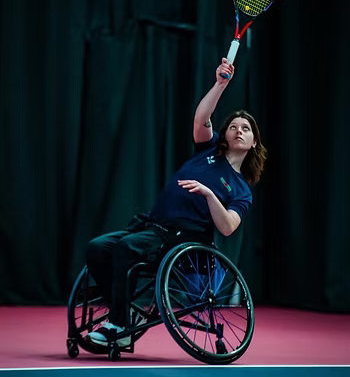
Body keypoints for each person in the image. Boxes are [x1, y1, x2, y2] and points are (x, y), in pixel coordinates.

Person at [86, 58, 267, 348]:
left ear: (254, 142)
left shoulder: (241, 189)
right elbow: (201, 119)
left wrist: (209, 194)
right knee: (96, 248)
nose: (238, 130)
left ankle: (118, 326)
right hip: (153, 226)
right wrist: (221, 84)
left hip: (183, 239)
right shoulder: (208, 148)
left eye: (246, 128)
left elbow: (228, 227)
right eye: (233, 126)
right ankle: (125, 311)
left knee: (126, 248)